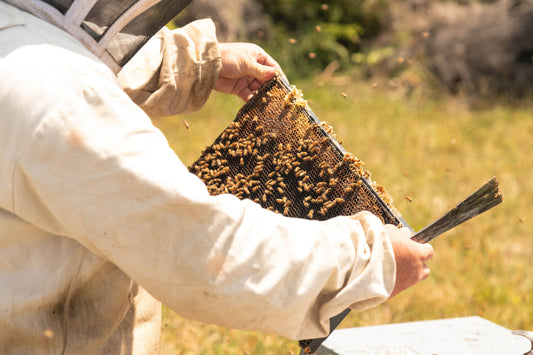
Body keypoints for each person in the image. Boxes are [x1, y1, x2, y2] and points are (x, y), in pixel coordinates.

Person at [0, 0, 433, 353]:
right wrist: (367, 262)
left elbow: (51, 45)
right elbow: (203, 247)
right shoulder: (63, 103)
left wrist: (191, 61)